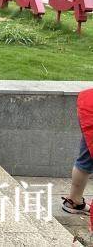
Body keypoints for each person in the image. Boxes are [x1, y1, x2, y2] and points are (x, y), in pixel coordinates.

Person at [62, 88, 93, 218]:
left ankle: (74, 200)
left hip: (89, 106)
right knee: (86, 159)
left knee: (86, 158)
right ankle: (74, 201)